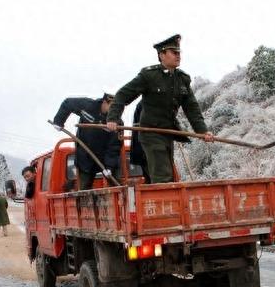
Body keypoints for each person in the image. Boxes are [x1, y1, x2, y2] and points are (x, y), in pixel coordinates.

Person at [105, 34, 214, 183]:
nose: (178, 56)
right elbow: (122, 95)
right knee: (163, 176)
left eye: (179, 53)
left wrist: (202, 131)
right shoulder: (149, 76)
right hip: (151, 132)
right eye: (174, 53)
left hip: (168, 132)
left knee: (167, 174)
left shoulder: (182, 79)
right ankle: (166, 204)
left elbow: (192, 108)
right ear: (162, 55)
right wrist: (113, 118)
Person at [52, 93, 121, 190]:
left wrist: (109, 166)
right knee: (84, 187)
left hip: (104, 157)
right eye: (113, 107)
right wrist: (59, 120)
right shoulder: (88, 106)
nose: (115, 111)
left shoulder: (116, 122)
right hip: (85, 155)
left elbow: (114, 146)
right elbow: (68, 103)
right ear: (105, 102)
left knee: (117, 184)